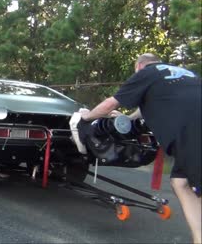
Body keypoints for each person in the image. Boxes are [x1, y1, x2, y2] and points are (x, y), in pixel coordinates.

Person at [80, 53, 201, 243]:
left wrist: (86, 118)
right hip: (191, 135)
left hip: (193, 137)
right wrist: (128, 119)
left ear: (138, 66)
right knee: (180, 183)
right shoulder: (184, 74)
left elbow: (109, 104)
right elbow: (146, 106)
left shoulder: (146, 73)